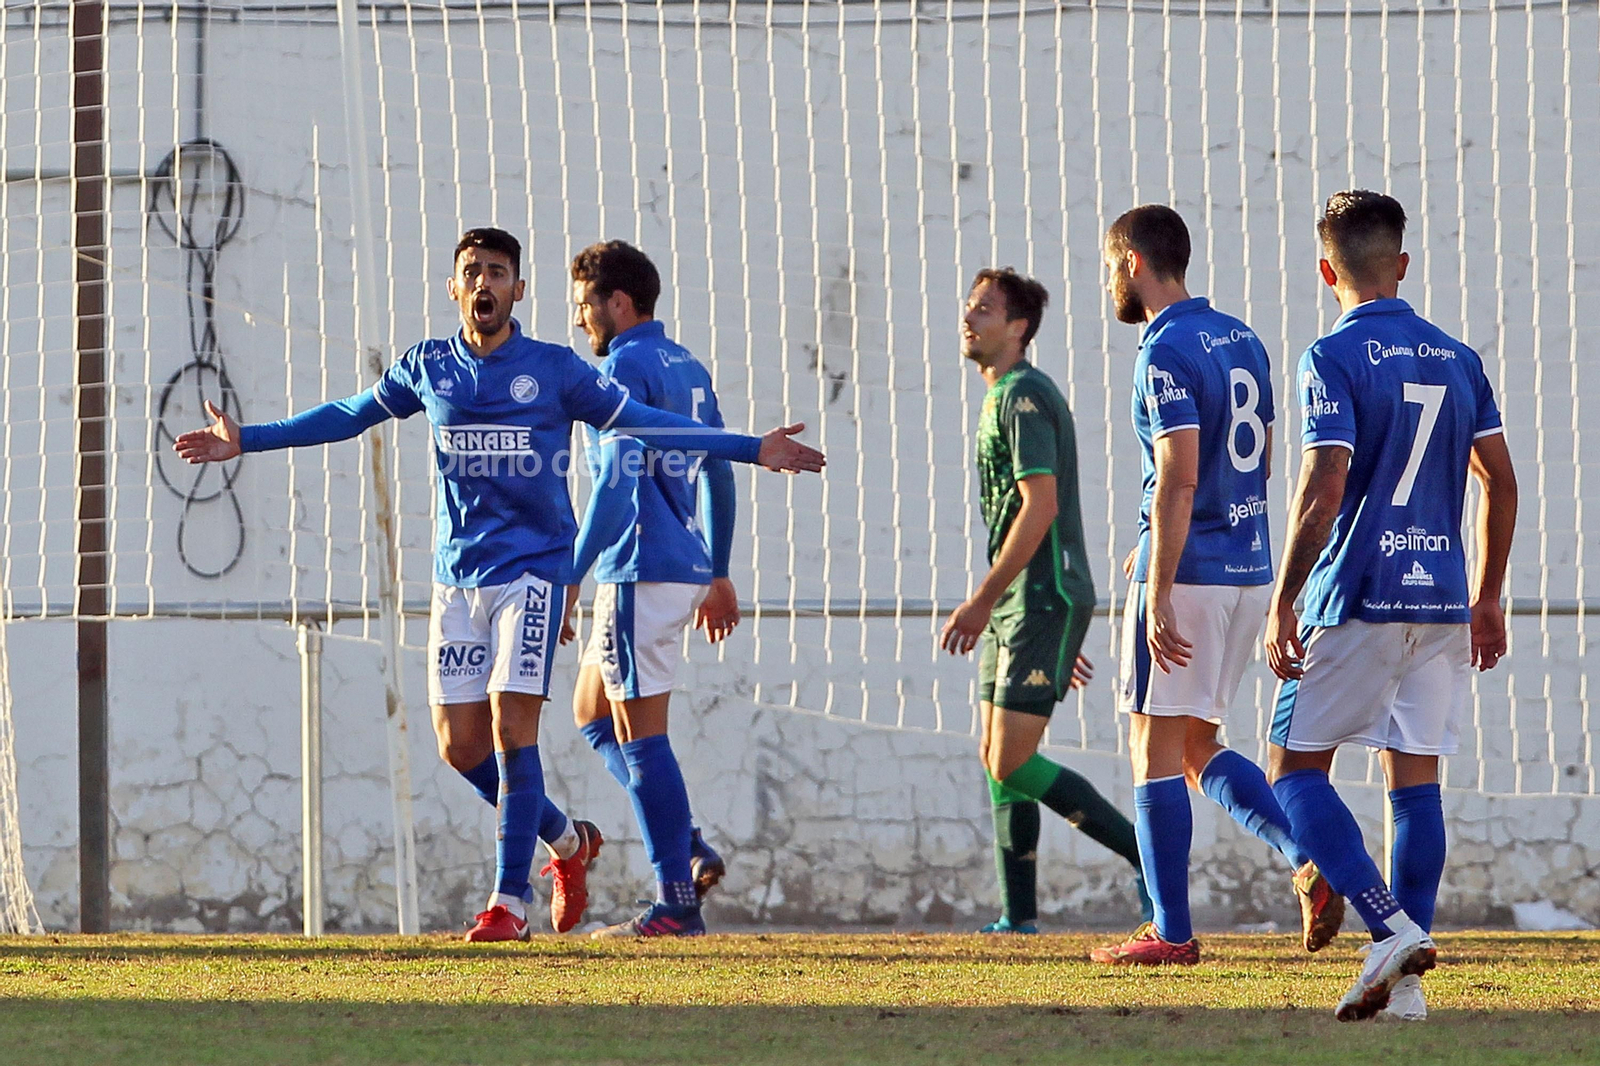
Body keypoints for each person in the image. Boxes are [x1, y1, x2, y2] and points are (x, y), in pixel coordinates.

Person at [174, 227, 825, 942]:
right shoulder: (429, 366)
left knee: (517, 726)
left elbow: (646, 426)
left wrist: (749, 449)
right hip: (460, 579)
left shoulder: (553, 370)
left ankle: (507, 904)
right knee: (461, 746)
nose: (484, 282)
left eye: (498, 272)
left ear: (518, 289)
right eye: (471, 272)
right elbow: (351, 416)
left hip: (536, 572)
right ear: (455, 289)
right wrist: (250, 439)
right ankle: (569, 841)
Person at [1263, 191, 1517, 1020]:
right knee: (1416, 786)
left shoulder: (1329, 357)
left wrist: (1285, 596)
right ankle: (1404, 991)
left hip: (1357, 592)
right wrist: (1487, 597)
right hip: (1443, 598)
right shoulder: (1459, 357)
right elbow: (1501, 483)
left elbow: (1325, 484)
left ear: (1324, 269)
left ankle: (1387, 930)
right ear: (1401, 264)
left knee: (1293, 770)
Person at [1090, 205, 1343, 966]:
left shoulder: (1162, 347)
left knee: (1151, 751)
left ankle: (1170, 932)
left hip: (1192, 575)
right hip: (1246, 569)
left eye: (1111, 266)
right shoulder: (1244, 338)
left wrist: (1160, 580)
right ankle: (1306, 859)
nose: (1111, 280)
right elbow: (1260, 461)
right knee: (1200, 745)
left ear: (1134, 261)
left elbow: (1178, 470)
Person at [940, 267, 1153, 935]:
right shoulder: (998, 394)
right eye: (968, 306)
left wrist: (983, 602)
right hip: (1026, 604)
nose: (968, 318)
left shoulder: (1024, 395)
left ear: (1019, 328)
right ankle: (1019, 916)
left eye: (985, 309)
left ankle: (1146, 860)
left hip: (1037, 594)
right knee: (994, 753)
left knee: (1012, 758)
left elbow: (1042, 508)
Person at [560, 240, 736, 938]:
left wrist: (572, 576)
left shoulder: (624, 364)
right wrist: (718, 567)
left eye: (585, 308)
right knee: (592, 712)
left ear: (618, 304)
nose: (581, 323)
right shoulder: (685, 363)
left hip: (640, 564)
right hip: (681, 563)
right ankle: (685, 841)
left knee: (638, 732)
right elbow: (721, 468)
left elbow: (614, 483)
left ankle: (675, 906)